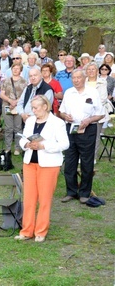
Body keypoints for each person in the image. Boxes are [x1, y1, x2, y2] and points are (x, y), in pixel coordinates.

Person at [15, 95, 70, 242]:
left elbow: (64, 144)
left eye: (36, 108)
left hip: (49, 165)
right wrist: (26, 145)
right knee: (29, 198)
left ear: (45, 106)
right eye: (32, 108)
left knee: (44, 199)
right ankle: (26, 230)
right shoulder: (31, 120)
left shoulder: (57, 123)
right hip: (29, 163)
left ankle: (40, 231)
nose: (33, 111)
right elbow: (23, 138)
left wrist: (43, 146)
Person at [59, 70, 104, 204]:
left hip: (87, 129)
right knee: (70, 162)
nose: (76, 80)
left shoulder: (92, 92)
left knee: (86, 162)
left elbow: (100, 114)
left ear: (84, 78)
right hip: (71, 129)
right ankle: (71, 192)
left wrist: (89, 120)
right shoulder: (68, 92)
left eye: (79, 77)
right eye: (74, 78)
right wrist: (64, 116)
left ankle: (85, 192)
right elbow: (61, 111)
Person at [0, 63, 27, 155]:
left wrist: (15, 102)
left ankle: (17, 148)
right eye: (14, 68)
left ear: (21, 70)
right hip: (7, 106)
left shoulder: (24, 82)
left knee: (18, 128)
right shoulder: (6, 81)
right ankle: (8, 147)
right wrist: (10, 101)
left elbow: (25, 95)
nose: (15, 70)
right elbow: (1, 94)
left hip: (18, 107)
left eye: (17, 68)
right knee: (8, 128)